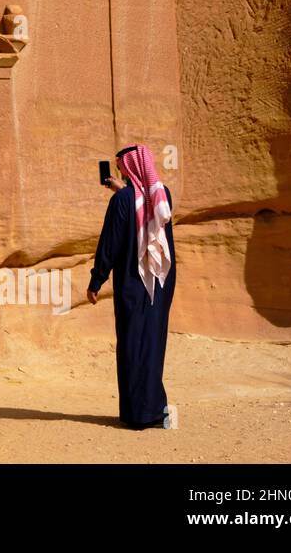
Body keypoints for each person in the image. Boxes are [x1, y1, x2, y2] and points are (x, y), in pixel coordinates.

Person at [86, 144, 176, 429]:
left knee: (132, 343)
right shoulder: (163, 195)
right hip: (161, 283)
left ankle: (137, 414)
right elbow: (144, 205)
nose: (120, 171)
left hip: (133, 284)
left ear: (131, 167)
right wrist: (122, 189)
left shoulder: (122, 201)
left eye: (122, 166)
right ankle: (153, 409)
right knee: (152, 342)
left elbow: (109, 245)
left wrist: (96, 279)